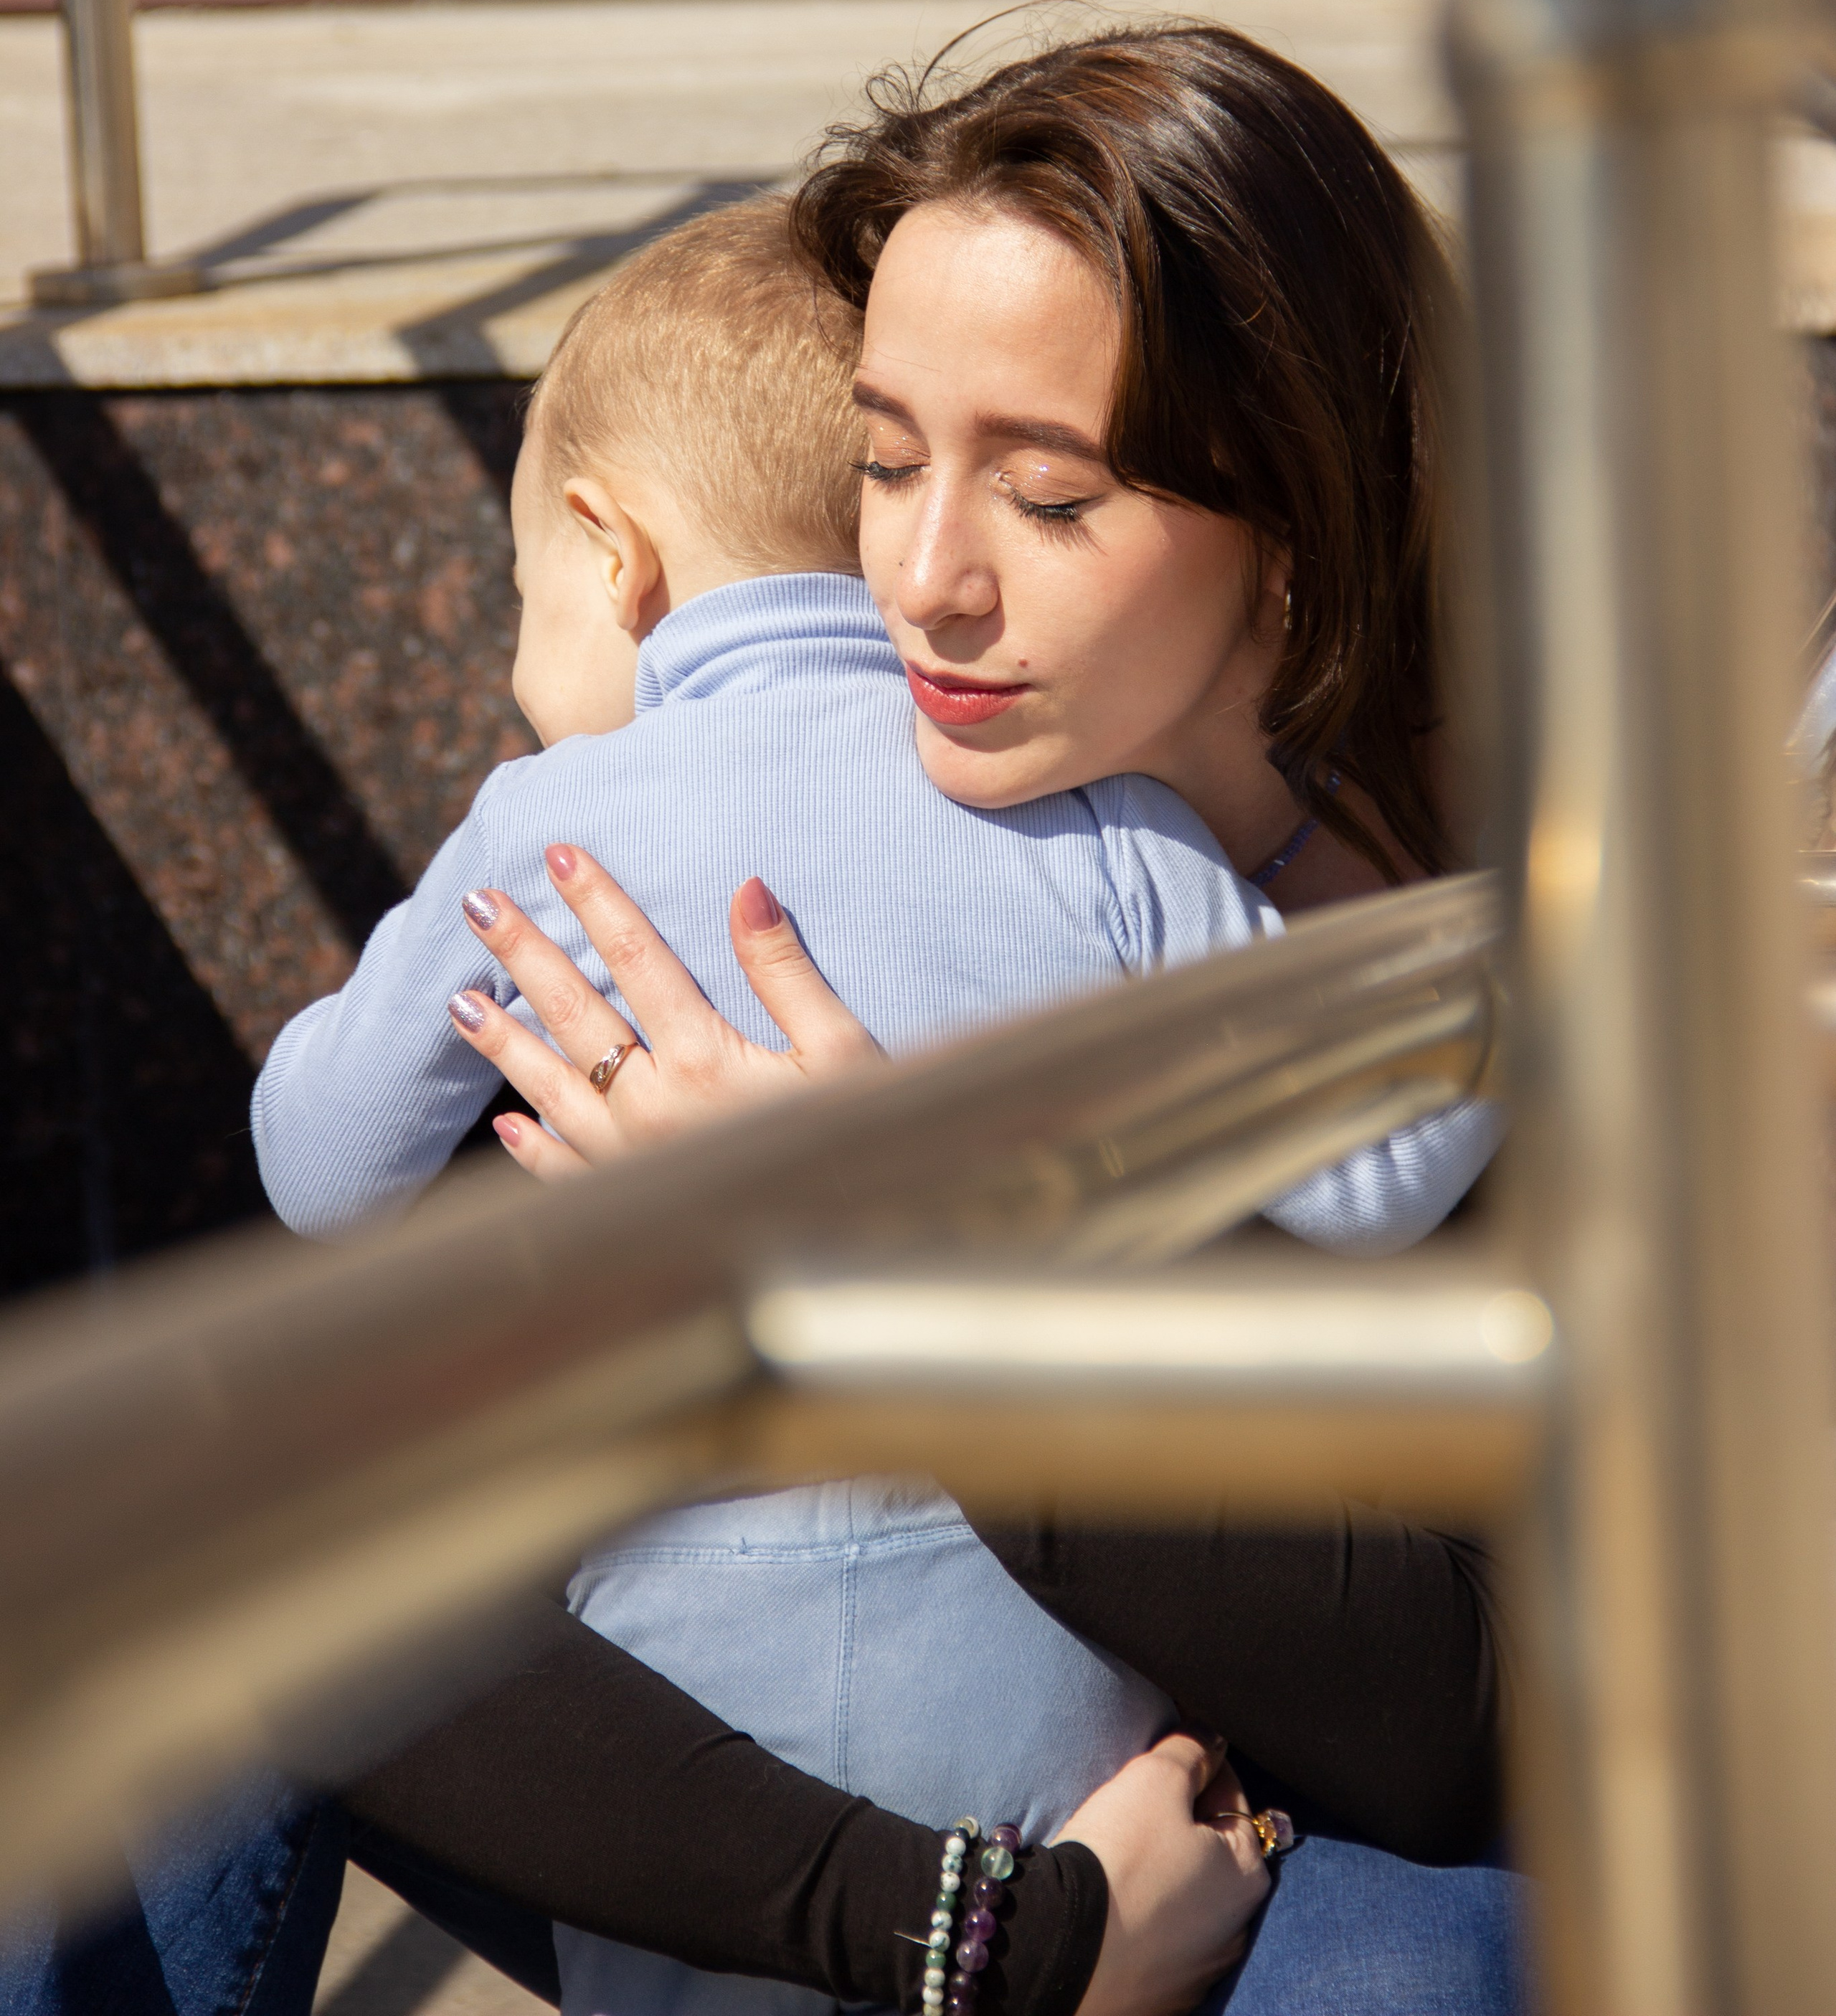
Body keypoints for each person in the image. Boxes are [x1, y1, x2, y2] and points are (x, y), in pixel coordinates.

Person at [249, 169, 1497, 2016]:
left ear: (612, 554)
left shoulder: (545, 835)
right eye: (887, 468)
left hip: (767, 1749)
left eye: (1052, 492)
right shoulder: (1120, 844)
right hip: (1069, 1763)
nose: (925, 582)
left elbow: (314, 1166)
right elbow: (1390, 1171)